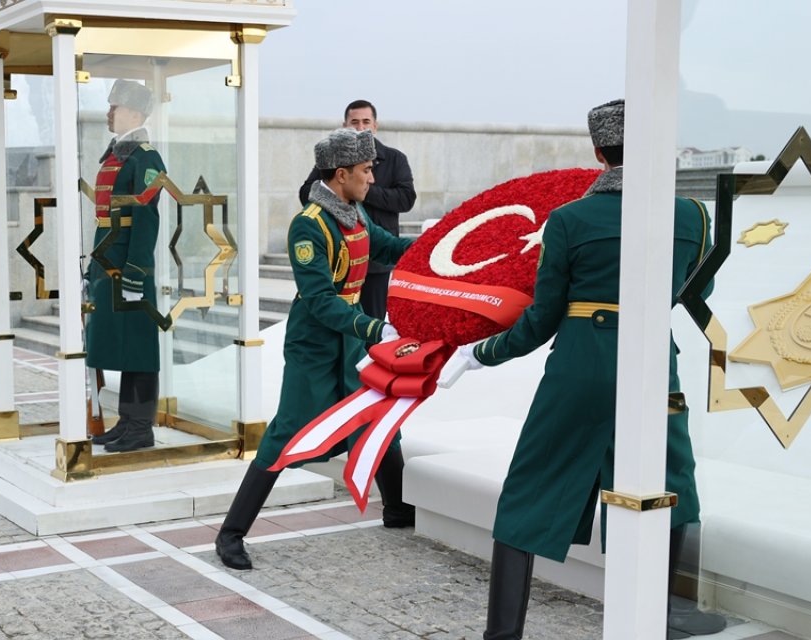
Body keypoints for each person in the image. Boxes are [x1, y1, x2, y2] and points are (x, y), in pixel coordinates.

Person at [446, 100, 724, 639]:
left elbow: (542, 319)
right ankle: (659, 615)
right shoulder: (692, 216)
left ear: (599, 152)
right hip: (652, 368)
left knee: (531, 486)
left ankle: (503, 634)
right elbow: (698, 292)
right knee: (669, 483)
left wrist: (480, 352)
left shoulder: (569, 220)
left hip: (580, 366)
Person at [216, 128, 414, 571]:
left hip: (352, 337)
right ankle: (230, 534)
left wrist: (433, 247)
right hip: (316, 342)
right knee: (287, 432)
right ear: (340, 175)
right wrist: (371, 325)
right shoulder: (309, 224)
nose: (371, 180)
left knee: (378, 415)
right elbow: (321, 299)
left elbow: (389, 247)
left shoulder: (355, 212)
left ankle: (398, 509)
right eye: (365, 172)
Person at [85, 79, 167, 453]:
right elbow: (107, 219)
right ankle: (127, 421)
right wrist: (94, 269)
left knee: (139, 347)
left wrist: (135, 273)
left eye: (114, 106)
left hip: (132, 270)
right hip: (110, 267)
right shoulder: (118, 153)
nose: (108, 113)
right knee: (121, 346)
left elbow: (145, 221)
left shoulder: (145, 158)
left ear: (133, 112)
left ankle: (141, 427)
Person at [299, 100, 416, 321]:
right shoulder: (332, 161)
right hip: (340, 258)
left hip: (375, 261)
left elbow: (406, 199)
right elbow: (307, 191)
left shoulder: (394, 158)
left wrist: (361, 191)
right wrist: (346, 192)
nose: (361, 128)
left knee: (371, 323)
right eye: (354, 122)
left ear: (375, 125)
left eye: (366, 122)